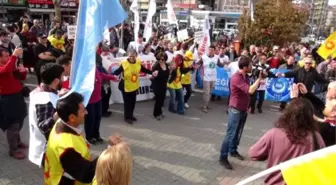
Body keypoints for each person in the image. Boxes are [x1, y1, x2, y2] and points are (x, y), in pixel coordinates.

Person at [44, 92, 122, 185]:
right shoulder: (65, 146)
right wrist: (109, 150)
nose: (87, 112)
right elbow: (86, 174)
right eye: (83, 110)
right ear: (72, 117)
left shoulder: (61, 121)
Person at [248, 98, 325, 185]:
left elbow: (253, 154)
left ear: (287, 113)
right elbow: (323, 164)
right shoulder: (316, 137)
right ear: (310, 116)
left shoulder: (274, 134)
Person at [219, 55, 263, 170]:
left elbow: (248, 93)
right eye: (250, 65)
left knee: (237, 132)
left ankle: (233, 150)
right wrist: (259, 79)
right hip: (235, 110)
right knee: (230, 134)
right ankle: (223, 157)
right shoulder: (236, 78)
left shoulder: (245, 76)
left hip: (242, 109)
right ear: (244, 67)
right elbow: (250, 90)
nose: (251, 67)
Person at [28, 63, 65, 166]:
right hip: (47, 151)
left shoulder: (41, 90)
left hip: (45, 148)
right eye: (62, 77)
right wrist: (61, 111)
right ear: (56, 81)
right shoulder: (45, 99)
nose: (64, 79)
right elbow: (45, 127)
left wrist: (58, 95)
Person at [112, 50, 157, 124]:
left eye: (133, 56)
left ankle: (131, 115)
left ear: (136, 56)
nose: (131, 57)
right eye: (130, 56)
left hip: (134, 86)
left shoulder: (138, 62)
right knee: (127, 103)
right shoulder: (124, 64)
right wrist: (111, 75)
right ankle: (127, 117)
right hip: (125, 86)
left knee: (133, 102)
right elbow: (117, 71)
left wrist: (152, 72)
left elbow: (144, 70)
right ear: (128, 56)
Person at [85, 54, 118, 144]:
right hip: (89, 100)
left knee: (98, 118)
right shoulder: (85, 71)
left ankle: (96, 134)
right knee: (90, 119)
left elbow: (102, 75)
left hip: (98, 98)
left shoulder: (95, 69)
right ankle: (89, 136)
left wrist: (113, 77)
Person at [0, 48, 27, 159]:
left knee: (20, 120)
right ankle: (13, 149)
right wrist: (14, 56)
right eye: (5, 56)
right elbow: (6, 70)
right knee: (12, 125)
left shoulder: (10, 65)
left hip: (17, 97)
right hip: (7, 100)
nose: (8, 57)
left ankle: (18, 141)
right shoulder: (5, 67)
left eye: (8, 55)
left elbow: (21, 77)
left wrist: (23, 71)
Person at [198, 45, 223, 113]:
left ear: (214, 51)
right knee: (206, 93)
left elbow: (220, 65)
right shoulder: (204, 57)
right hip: (206, 78)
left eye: (212, 50)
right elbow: (198, 63)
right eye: (209, 50)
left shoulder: (216, 57)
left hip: (213, 77)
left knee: (210, 92)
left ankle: (207, 104)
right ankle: (204, 106)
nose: (210, 51)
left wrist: (224, 63)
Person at [151, 52, 169, 120]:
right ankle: (155, 114)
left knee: (162, 100)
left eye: (163, 59)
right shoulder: (156, 66)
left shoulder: (166, 65)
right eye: (160, 59)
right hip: (157, 85)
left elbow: (167, 74)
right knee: (158, 100)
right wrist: (154, 75)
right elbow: (152, 76)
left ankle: (160, 112)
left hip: (164, 85)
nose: (161, 61)